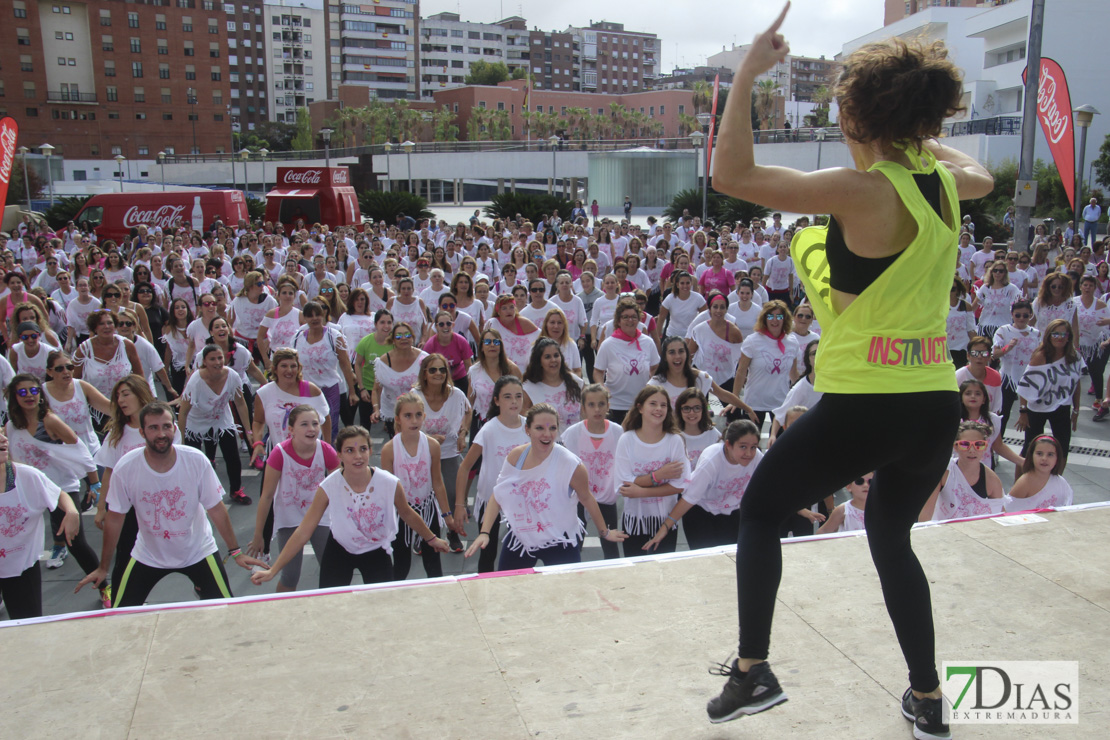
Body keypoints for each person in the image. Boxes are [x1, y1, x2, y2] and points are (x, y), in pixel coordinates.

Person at [707, 13, 995, 735]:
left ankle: (753, 671)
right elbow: (981, 171)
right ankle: (927, 697)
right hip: (934, 403)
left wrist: (747, 71)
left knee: (761, 513)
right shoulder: (946, 183)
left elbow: (731, 175)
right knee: (891, 538)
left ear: (858, 114)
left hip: (869, 401)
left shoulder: (863, 191)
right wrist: (917, 134)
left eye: (841, 107)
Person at [76, 403, 267, 606]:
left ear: (175, 429)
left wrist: (235, 551)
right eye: (153, 428)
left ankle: (203, 588)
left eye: (166, 426)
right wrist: (103, 567)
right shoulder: (126, 467)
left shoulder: (195, 460)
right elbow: (114, 519)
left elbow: (216, 509)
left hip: (197, 551)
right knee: (121, 614)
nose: (161, 433)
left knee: (226, 610)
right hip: (148, 554)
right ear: (142, 432)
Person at [251, 425, 449, 588]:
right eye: (350, 450)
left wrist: (431, 539)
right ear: (339, 455)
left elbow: (407, 513)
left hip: (376, 550)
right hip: (340, 550)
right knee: (332, 605)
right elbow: (304, 530)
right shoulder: (329, 486)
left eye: (363, 449)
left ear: (370, 451)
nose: (358, 456)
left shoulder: (389, 483)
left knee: (382, 607)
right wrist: (274, 569)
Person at [465, 403, 626, 569]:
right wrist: (484, 533)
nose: (547, 434)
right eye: (540, 428)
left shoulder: (571, 464)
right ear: (527, 430)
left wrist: (604, 532)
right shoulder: (516, 457)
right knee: (509, 589)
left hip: (559, 540)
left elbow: (587, 498)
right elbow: (497, 495)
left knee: (567, 592)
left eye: (553, 428)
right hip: (521, 538)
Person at [247, 405, 338, 592]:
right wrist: (259, 535)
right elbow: (266, 497)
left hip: (319, 515)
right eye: (304, 424)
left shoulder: (326, 451)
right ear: (291, 430)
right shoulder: (279, 454)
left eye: (315, 424)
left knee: (332, 568)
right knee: (290, 575)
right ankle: (281, 611)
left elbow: (340, 489)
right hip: (290, 517)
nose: (311, 429)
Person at [0, 430, 81, 620]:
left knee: (27, 626)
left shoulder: (26, 476)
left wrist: (72, 511)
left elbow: (59, 494)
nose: (3, 439)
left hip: (21, 567)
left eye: (3, 434)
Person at [381, 393, 462, 579]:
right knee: (401, 562)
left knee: (433, 561)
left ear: (424, 417)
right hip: (402, 512)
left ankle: (439, 597)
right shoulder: (389, 449)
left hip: (427, 508)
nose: (414, 420)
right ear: (398, 420)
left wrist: (447, 514)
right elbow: (388, 488)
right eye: (407, 416)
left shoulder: (432, 445)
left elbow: (437, 481)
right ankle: (395, 597)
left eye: (418, 414)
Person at [454, 375, 528, 573]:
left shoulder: (530, 427)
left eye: (518, 396)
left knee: (521, 552)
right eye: (507, 397)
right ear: (496, 400)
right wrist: (460, 505)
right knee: (488, 553)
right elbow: (465, 467)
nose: (514, 401)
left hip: (521, 502)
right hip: (491, 502)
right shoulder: (489, 429)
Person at [614, 385, 692, 556]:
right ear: (640, 408)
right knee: (636, 571)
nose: (659, 409)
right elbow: (623, 485)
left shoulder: (675, 441)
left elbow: (681, 486)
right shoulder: (626, 440)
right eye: (653, 404)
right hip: (635, 520)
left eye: (663, 405)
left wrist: (641, 490)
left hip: (666, 520)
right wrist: (659, 475)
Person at [178, 345, 255, 505]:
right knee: (194, 458)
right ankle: (194, 492)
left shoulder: (232, 376)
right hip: (196, 422)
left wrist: (248, 430)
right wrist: (181, 438)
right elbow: (184, 412)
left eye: (220, 358)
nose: (218, 362)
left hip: (221, 418)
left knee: (232, 456)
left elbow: (240, 403)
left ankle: (236, 490)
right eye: (212, 359)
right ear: (204, 362)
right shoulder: (196, 381)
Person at [559, 384, 624, 560]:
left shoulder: (618, 432)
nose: (597, 409)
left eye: (601, 404)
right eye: (591, 405)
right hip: (579, 497)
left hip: (607, 496)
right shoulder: (572, 433)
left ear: (608, 406)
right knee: (574, 546)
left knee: (611, 548)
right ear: (583, 408)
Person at [1015, 318, 1084, 467]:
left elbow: (1076, 385)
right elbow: (1026, 384)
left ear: (1069, 337)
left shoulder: (1075, 357)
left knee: (1063, 448)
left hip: (1061, 406)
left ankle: (1056, 484)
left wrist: (1076, 410)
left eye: (1063, 334)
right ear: (1049, 336)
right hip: (1037, 407)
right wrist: (1023, 411)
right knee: (1029, 447)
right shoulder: (1040, 356)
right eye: (1055, 334)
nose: (1059, 338)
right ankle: (1019, 485)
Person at [731, 300, 801, 430]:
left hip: (781, 403)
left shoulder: (792, 342)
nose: (775, 320)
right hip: (754, 403)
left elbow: (794, 374)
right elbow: (741, 371)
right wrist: (735, 398)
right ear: (764, 318)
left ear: (784, 319)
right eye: (770, 316)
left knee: (778, 445)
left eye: (779, 316)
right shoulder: (752, 341)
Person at [593, 297, 660, 423]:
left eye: (634, 317)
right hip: (615, 404)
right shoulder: (608, 344)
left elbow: (655, 366)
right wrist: (602, 387)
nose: (630, 320)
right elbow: (597, 371)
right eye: (625, 317)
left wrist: (651, 382)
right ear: (618, 321)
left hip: (641, 403)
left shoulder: (647, 342)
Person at [370, 322, 428, 438]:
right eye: (398, 336)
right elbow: (376, 389)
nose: (403, 339)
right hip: (393, 413)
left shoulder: (424, 359)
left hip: (417, 412)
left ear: (413, 337)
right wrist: (376, 409)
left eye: (407, 335)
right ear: (393, 340)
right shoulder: (383, 362)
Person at [991, 300, 1040, 434]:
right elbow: (995, 354)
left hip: (1030, 378)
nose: (1021, 318)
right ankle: (996, 445)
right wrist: (1008, 347)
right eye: (1018, 315)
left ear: (1030, 315)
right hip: (1008, 377)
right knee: (1003, 413)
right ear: (1012, 314)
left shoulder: (1036, 333)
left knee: (1031, 414)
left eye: (1025, 315)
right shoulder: (1003, 330)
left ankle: (1029, 449)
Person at [522, 337, 584, 431]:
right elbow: (523, 424)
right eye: (547, 357)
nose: (553, 360)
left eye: (556, 355)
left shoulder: (576, 382)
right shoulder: (528, 388)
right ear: (539, 361)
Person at [1004, 435, 1073, 512]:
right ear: (1031, 455)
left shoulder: (1061, 482)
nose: (1044, 458)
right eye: (1039, 454)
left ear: (1057, 458)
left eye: (1050, 454)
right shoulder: (1024, 483)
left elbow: (1069, 508)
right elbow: (1007, 512)